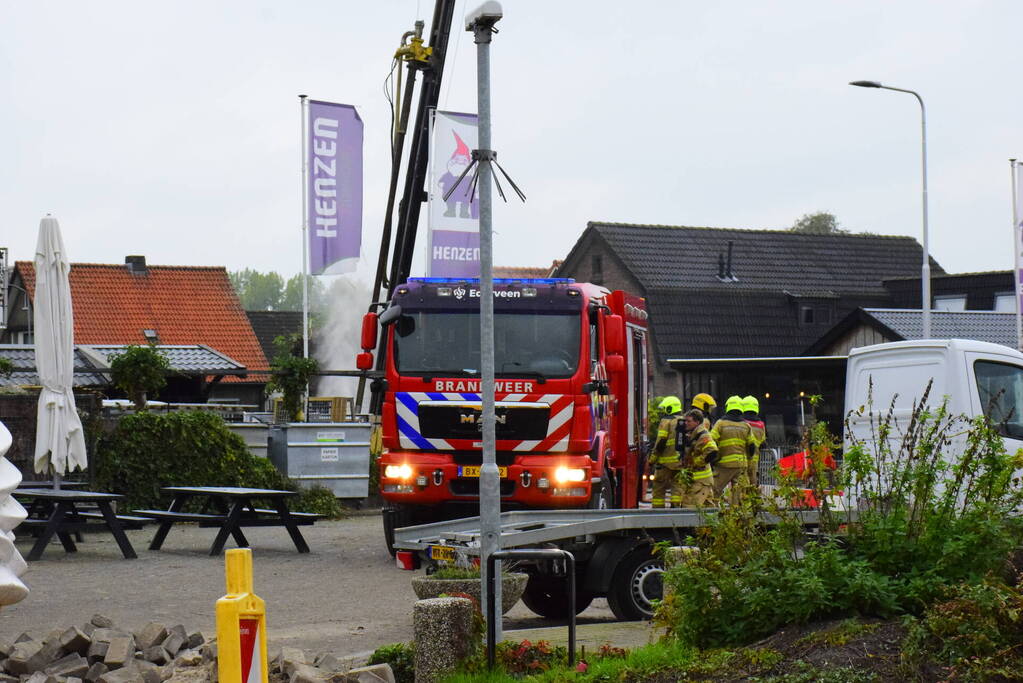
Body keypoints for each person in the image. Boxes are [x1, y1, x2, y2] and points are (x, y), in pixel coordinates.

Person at [710, 395, 754, 505]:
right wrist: (748, 460)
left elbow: (711, 441)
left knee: (714, 491)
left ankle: (713, 515)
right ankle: (736, 519)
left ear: (727, 407)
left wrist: (713, 459)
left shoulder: (721, 423)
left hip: (724, 465)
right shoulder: (746, 426)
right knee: (739, 496)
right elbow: (752, 446)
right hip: (741, 465)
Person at [647, 396, 684, 508]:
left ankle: (658, 511)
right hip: (680, 463)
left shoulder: (665, 421)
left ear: (669, 408)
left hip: (664, 463)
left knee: (659, 487)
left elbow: (661, 441)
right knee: (677, 487)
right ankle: (676, 508)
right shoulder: (683, 421)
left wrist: (652, 459)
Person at [678, 408, 718, 507]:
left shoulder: (703, 435)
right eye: (685, 421)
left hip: (700, 481)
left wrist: (695, 462)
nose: (686, 423)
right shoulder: (692, 434)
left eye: (689, 421)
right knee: (707, 511)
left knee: (689, 507)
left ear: (697, 422)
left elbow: (712, 451)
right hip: (699, 480)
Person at [741, 395, 766, 490]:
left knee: (742, 481)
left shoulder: (742, 422)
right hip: (754, 459)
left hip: (742, 458)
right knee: (753, 480)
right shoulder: (761, 425)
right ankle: (752, 499)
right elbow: (763, 441)